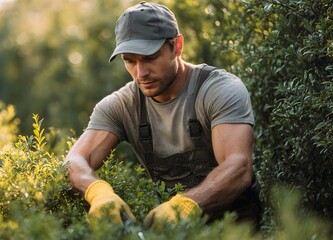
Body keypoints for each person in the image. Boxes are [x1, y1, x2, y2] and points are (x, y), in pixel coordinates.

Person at [66, 1, 261, 228]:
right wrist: (98, 193)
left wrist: (186, 205)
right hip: (173, 232)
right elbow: (75, 160)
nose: (141, 73)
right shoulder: (122, 105)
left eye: (149, 57)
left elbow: (238, 167)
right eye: (130, 60)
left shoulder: (220, 90)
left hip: (235, 231)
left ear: (177, 46)